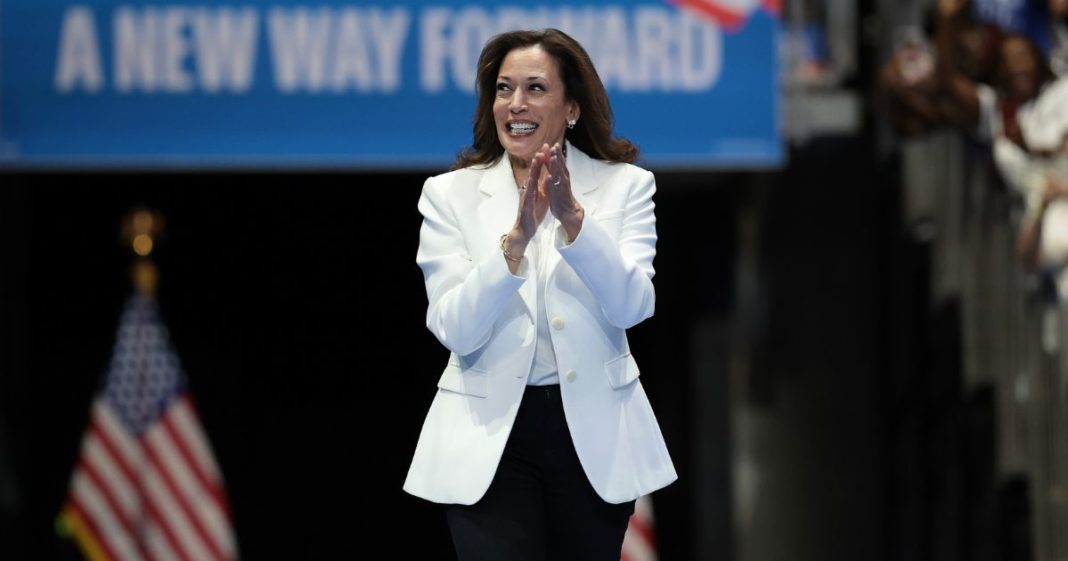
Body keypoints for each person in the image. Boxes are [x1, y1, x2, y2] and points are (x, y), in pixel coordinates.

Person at [403, 28, 677, 561]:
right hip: (489, 439)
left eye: (534, 88)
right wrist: (515, 244)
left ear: (571, 106)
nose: (516, 104)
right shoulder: (448, 196)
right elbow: (454, 329)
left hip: (592, 438)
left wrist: (574, 221)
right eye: (504, 89)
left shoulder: (626, 187)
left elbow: (632, 307)